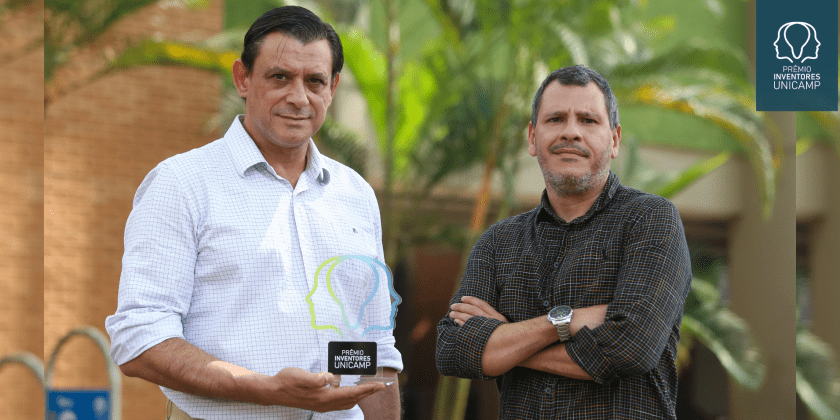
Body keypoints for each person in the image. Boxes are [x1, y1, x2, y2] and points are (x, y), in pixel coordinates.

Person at [105, 6, 401, 419]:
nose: (298, 97)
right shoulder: (182, 183)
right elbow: (140, 339)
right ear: (243, 78)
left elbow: (371, 345)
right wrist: (267, 390)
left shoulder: (355, 195)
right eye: (280, 77)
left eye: (314, 81)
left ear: (332, 88)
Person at [435, 65, 692, 419]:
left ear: (614, 139)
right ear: (532, 137)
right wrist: (565, 321)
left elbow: (633, 346)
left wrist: (504, 340)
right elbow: (453, 349)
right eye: (555, 119)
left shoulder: (650, 220)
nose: (571, 132)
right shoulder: (498, 242)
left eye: (588, 120)